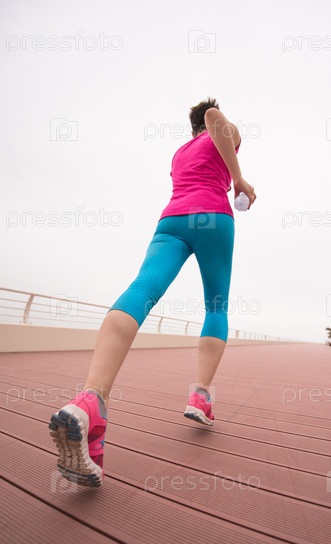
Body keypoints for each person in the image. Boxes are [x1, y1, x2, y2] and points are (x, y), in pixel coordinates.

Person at [49, 98, 256, 487]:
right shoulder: (219, 131)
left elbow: (206, 127)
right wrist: (239, 179)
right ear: (205, 126)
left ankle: (91, 402)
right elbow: (215, 118)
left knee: (141, 289)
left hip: (171, 221)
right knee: (216, 306)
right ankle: (200, 396)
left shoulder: (179, 154)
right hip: (212, 216)